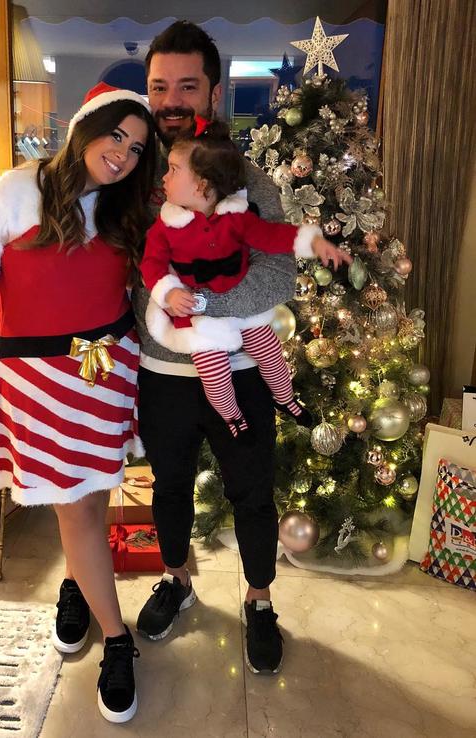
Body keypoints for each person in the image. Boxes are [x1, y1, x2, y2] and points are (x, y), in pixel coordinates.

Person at [0, 83, 156, 724]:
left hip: (106, 373)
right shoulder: (15, 190)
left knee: (88, 501)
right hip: (37, 382)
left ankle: (77, 586)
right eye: (116, 135)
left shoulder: (125, 206)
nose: (124, 154)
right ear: (85, 128)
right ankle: (118, 640)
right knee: (75, 508)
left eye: (138, 148)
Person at [133, 21, 351, 674]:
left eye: (187, 86)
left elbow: (277, 274)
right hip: (160, 374)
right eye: (159, 87)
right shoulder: (137, 179)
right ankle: (177, 579)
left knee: (253, 492)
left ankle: (259, 599)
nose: (171, 100)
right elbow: (130, 270)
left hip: (244, 370)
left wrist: (203, 311)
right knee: (169, 486)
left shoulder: (247, 181)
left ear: (214, 92)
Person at [140, 118, 343, 438]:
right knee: (215, 375)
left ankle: (285, 399)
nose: (164, 177)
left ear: (202, 184)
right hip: (200, 317)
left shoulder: (236, 218)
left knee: (270, 352)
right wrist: (169, 293)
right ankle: (233, 417)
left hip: (242, 306)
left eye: (174, 170)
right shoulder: (165, 227)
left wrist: (312, 241)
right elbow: (151, 265)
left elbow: (271, 236)